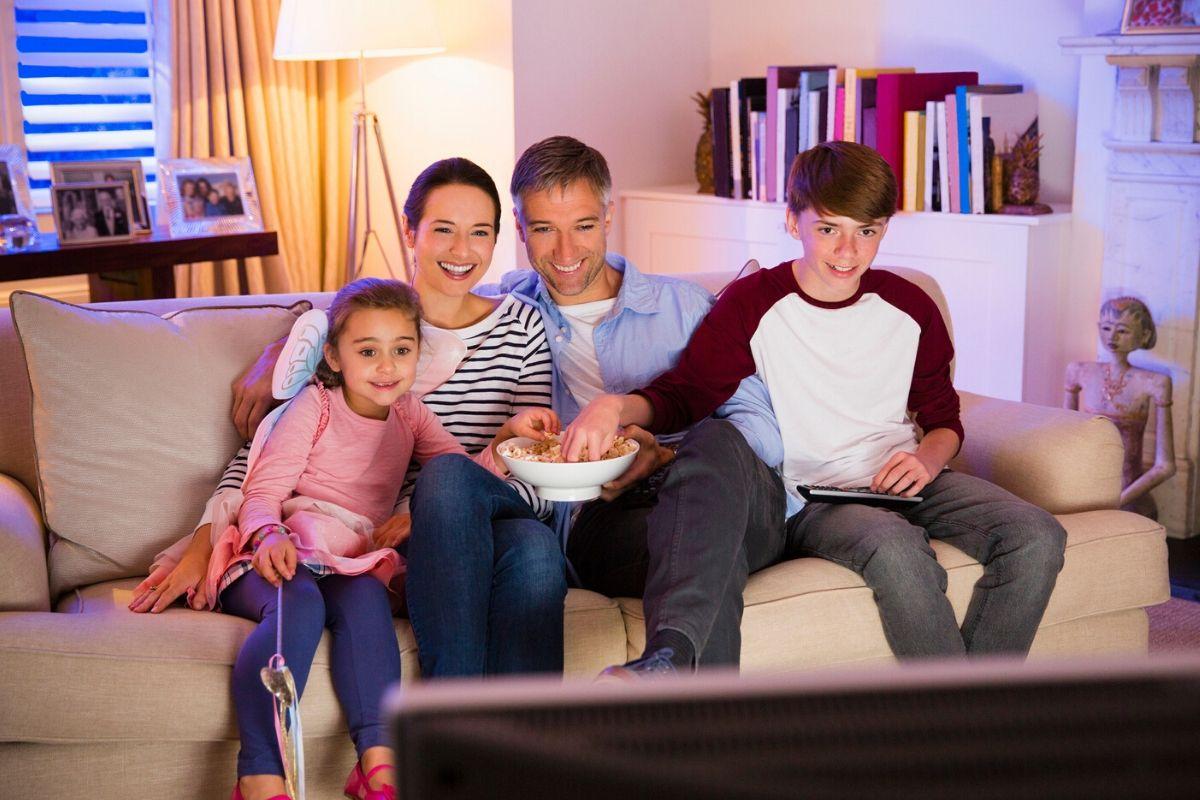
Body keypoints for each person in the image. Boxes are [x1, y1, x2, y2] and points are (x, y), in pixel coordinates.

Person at [564, 141, 1068, 675]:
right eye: (829, 229)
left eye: (866, 231)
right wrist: (614, 407)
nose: (848, 251)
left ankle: (976, 707)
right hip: (813, 498)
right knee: (893, 546)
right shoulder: (752, 303)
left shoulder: (911, 306)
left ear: (884, 229)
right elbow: (686, 394)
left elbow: (944, 421)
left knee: (1037, 535)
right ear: (793, 221)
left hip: (909, 478)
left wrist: (926, 460)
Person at [135, 158, 569, 678]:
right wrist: (206, 540)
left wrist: (441, 503)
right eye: (443, 230)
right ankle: (454, 715)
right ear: (410, 231)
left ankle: (523, 727)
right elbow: (268, 455)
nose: (462, 250)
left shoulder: (522, 326)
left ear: (498, 239)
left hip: (482, 506)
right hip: (389, 536)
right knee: (486, 513)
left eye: (479, 232)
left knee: (527, 540)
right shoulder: (359, 324)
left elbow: (532, 466)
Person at [135, 277, 551, 800]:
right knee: (300, 603)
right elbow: (261, 490)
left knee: (367, 603)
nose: (386, 367)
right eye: (368, 351)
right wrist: (268, 534)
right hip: (279, 546)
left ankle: (377, 762)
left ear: (418, 354)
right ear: (334, 355)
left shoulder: (411, 413)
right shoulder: (317, 405)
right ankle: (259, 772)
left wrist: (506, 439)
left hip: (349, 558)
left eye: (402, 350)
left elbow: (459, 477)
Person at [487, 135, 782, 671]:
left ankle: (668, 668)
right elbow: (401, 320)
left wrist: (667, 456)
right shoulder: (505, 319)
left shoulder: (684, 307)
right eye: (544, 229)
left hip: (726, 491)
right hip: (609, 522)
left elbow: (763, 436)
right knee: (709, 548)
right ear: (519, 228)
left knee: (717, 441)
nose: (565, 253)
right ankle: (675, 669)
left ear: (608, 217)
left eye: (582, 226)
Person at [1065, 297, 1174, 517]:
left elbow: (1166, 466)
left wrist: (1117, 501)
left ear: (1144, 335)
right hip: (1085, 495)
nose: (1112, 337)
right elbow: (1066, 440)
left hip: (1129, 500)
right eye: (1106, 328)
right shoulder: (1079, 371)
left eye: (1122, 330)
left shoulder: (1155, 382)